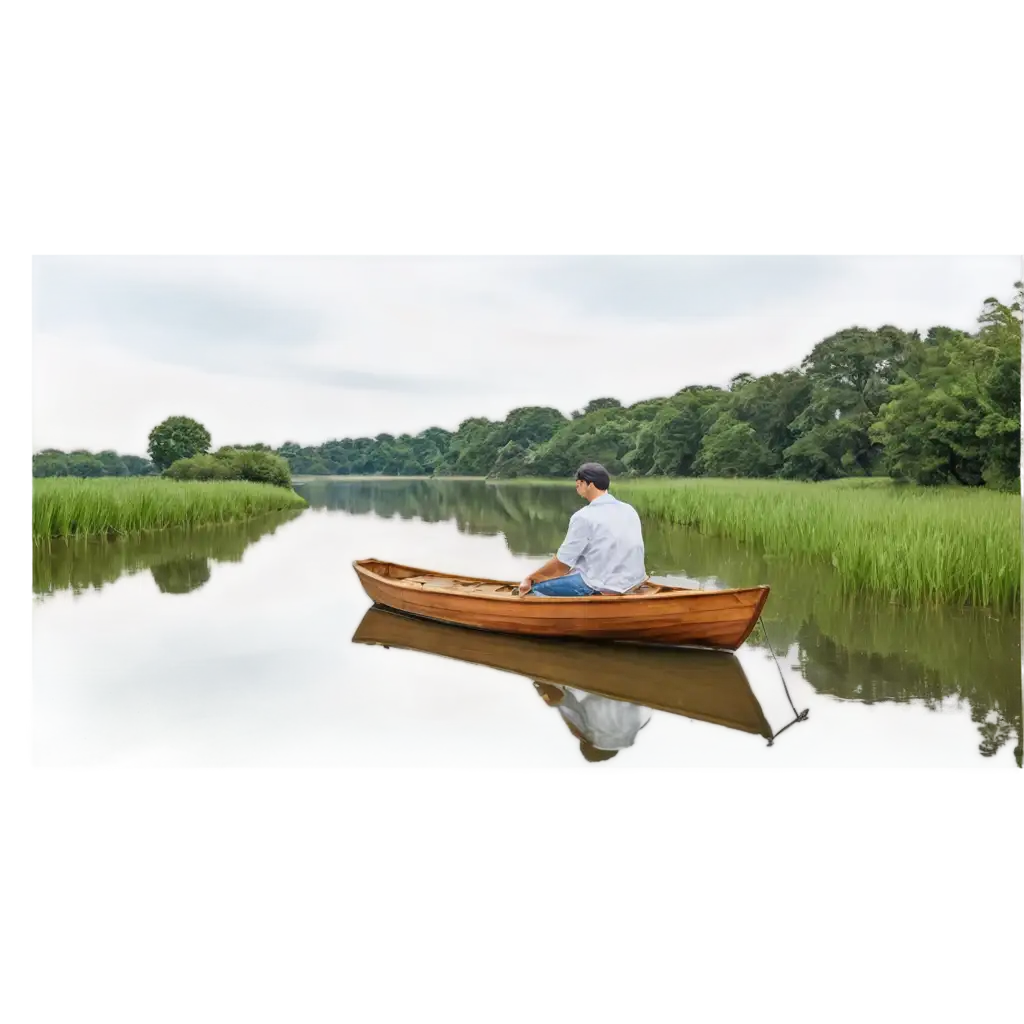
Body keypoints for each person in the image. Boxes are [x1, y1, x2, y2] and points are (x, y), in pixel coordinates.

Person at [518, 462, 647, 598]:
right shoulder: (629, 509)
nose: (577, 485)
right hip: (633, 581)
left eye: (579, 482)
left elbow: (562, 565)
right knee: (568, 574)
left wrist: (531, 578)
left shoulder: (583, 516)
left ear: (590, 485)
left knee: (534, 590)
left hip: (603, 584)